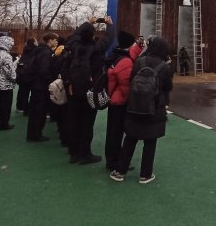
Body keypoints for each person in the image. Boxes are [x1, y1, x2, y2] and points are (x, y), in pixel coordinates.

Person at [111, 36, 173, 184]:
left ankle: (120, 171)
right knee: (150, 142)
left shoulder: (139, 61)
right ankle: (145, 174)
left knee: (130, 139)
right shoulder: (165, 67)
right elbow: (167, 88)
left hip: (135, 105)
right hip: (154, 109)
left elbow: (131, 80)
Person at [63, 17, 113, 164]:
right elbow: (108, 39)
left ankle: (73, 152)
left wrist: (88, 23)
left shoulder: (74, 46)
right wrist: (109, 25)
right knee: (87, 122)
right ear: (92, 36)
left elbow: (75, 36)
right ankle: (84, 154)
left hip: (73, 89)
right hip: (90, 90)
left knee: (73, 120)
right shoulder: (96, 49)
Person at [104, 30, 141, 172]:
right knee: (116, 133)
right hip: (120, 102)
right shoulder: (125, 62)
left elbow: (132, 54)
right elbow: (126, 84)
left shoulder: (116, 56)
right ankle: (114, 161)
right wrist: (132, 99)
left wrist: (139, 46)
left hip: (114, 99)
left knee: (113, 131)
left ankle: (112, 158)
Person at [26, 32, 58, 143]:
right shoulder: (46, 53)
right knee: (40, 111)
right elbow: (44, 70)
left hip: (36, 85)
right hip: (42, 86)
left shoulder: (38, 51)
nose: (56, 41)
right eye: (55, 39)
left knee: (35, 111)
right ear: (49, 40)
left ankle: (32, 133)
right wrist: (51, 82)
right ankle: (36, 134)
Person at [0, 35, 17, 130]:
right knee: (5, 105)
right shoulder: (6, 55)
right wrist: (14, 77)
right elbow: (10, 72)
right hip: (5, 84)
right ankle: (4, 124)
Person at [15, 38, 38, 115]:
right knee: (29, 92)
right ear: (34, 43)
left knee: (22, 91)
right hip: (29, 74)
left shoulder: (25, 49)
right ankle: (26, 109)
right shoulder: (35, 50)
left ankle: (19, 107)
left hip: (21, 74)